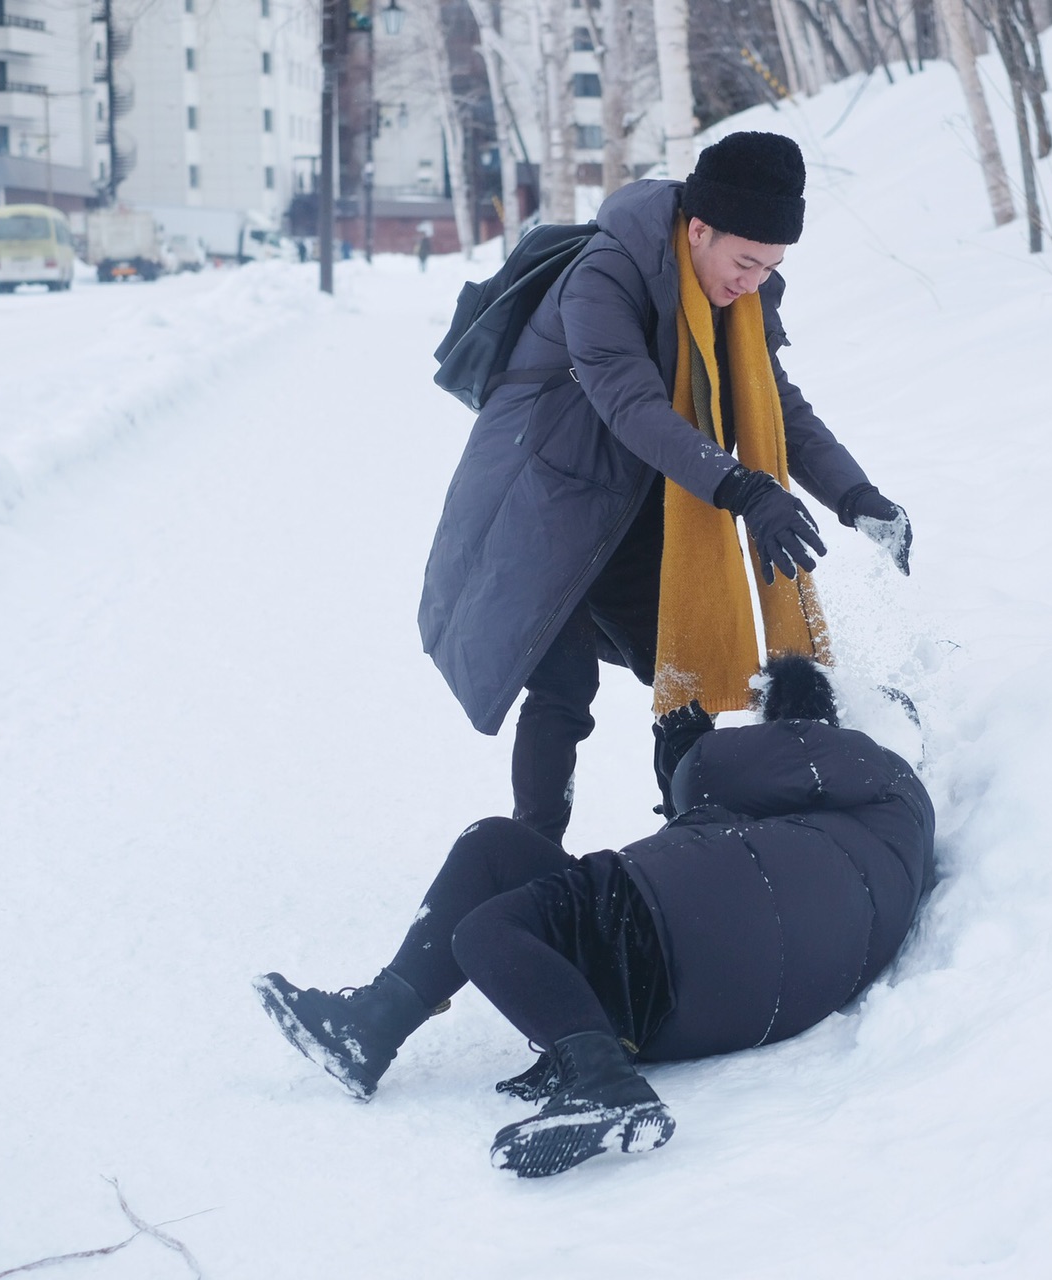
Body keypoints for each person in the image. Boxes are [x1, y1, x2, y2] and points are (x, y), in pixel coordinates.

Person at [255, 657, 937, 1178]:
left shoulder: (866, 764)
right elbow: (744, 844)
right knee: (493, 845)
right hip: (705, 972)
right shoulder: (873, 828)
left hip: (679, 940)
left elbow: (709, 775)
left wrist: (689, 750)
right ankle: (369, 1028)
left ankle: (606, 1085)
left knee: (487, 932)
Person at [418, 131, 914, 845]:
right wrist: (746, 490)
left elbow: (774, 401)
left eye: (771, 267)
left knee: (687, 671)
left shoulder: (738, 294)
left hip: (644, 503)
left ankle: (695, 839)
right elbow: (631, 405)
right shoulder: (603, 275)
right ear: (699, 229)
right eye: (746, 262)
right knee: (560, 685)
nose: (753, 283)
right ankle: (532, 850)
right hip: (543, 500)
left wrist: (855, 496)